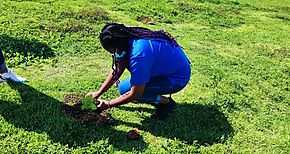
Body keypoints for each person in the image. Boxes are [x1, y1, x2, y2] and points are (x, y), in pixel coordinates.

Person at [87, 23, 191, 119]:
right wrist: (99, 92)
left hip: (176, 78)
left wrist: (108, 104)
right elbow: (118, 69)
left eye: (113, 51)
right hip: (161, 70)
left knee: (135, 93)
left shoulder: (139, 54)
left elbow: (135, 94)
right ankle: (154, 93)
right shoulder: (128, 38)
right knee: (123, 89)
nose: (115, 55)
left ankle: (166, 102)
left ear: (119, 44)